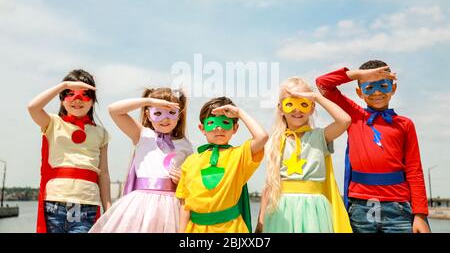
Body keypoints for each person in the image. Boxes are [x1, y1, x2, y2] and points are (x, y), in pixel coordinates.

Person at [315, 60, 430, 233]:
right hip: (360, 208)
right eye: (369, 87)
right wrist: (359, 75)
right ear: (359, 92)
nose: (377, 92)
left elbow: (415, 170)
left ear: (393, 88)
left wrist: (420, 214)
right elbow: (323, 84)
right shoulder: (354, 115)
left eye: (383, 85)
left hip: (398, 208)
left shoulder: (405, 124)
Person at [256, 77, 352, 233]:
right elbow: (269, 184)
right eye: (290, 104)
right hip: (281, 209)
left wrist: (316, 96)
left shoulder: (321, 136)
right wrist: (260, 221)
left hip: (314, 210)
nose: (297, 110)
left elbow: (345, 120)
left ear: (312, 107)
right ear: (280, 108)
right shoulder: (275, 141)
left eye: (303, 103)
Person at [89, 88, 192, 233]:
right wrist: (149, 101)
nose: (165, 118)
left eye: (171, 112)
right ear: (148, 115)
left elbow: (192, 178)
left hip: (171, 206)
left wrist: (184, 179)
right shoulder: (142, 134)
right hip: (142, 205)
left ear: (179, 115)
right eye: (157, 113)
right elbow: (113, 110)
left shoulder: (185, 144)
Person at [28, 69, 111, 233]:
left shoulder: (101, 133)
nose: (77, 100)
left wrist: (108, 207)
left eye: (85, 94)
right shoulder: (52, 123)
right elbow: (32, 107)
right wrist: (64, 85)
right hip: (54, 202)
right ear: (61, 100)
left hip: (87, 205)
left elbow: (104, 174)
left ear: (93, 101)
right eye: (70, 94)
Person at [176, 97, 269, 233]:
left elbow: (262, 137)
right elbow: (185, 204)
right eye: (212, 123)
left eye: (225, 122)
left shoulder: (239, 155)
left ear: (235, 128)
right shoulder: (190, 162)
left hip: (231, 229)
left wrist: (239, 113)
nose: (218, 128)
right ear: (202, 128)